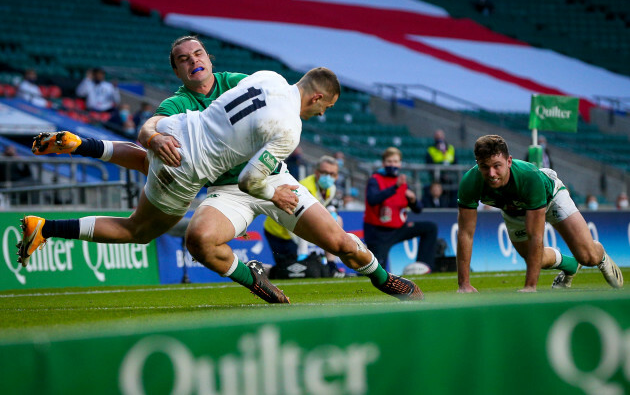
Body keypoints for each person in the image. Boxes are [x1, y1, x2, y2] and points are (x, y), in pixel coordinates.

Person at [25, 37, 423, 302]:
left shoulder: (248, 80)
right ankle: (255, 280)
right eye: (184, 59)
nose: (193, 61)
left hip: (264, 174)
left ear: (209, 60)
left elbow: (164, 133)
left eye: (198, 54)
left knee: (337, 241)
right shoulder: (257, 107)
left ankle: (383, 277)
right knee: (193, 234)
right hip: (231, 186)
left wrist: (151, 136)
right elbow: (152, 131)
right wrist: (151, 135)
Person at [456, 135, 623, 293]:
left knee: (588, 257)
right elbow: (465, 234)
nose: (491, 174)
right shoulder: (470, 182)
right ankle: (570, 265)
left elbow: (536, 235)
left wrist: (530, 286)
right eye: (485, 167)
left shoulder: (529, 177)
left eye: (497, 166)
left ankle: (599, 253)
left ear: (509, 161)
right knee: (535, 259)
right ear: (477, 164)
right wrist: (464, 285)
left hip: (552, 197)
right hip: (514, 210)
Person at [263, 155, 343, 277]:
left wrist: (331, 212)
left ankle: (331, 264)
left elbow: (328, 206)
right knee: (288, 271)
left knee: (295, 270)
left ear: (336, 176)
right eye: (324, 172)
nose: (328, 176)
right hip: (278, 231)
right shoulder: (306, 188)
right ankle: (256, 269)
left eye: (332, 174)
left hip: (293, 227)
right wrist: (303, 251)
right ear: (316, 172)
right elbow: (300, 220)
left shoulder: (330, 189)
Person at [364, 147, 439, 272]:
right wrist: (395, 187)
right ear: (383, 163)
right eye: (389, 161)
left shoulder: (402, 183)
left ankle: (424, 267)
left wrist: (413, 200)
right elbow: (372, 199)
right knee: (376, 271)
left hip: (399, 228)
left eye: (395, 161)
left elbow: (418, 209)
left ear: (400, 163)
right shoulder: (375, 179)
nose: (392, 164)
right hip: (378, 233)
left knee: (430, 228)